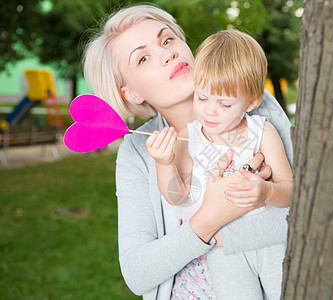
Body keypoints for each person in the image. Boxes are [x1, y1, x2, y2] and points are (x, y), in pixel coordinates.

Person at [83, 4, 293, 300]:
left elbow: (306, 211)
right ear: (131, 93)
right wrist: (208, 220)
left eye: (167, 40)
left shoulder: (254, 105)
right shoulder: (137, 151)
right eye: (143, 58)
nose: (167, 54)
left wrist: (255, 205)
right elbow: (137, 273)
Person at [146, 29, 293, 299]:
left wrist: (268, 192)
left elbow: (290, 190)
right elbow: (177, 196)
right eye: (201, 98)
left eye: (224, 104)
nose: (210, 111)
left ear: (252, 102)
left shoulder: (261, 132)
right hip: (223, 251)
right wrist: (164, 163)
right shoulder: (191, 136)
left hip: (270, 243)